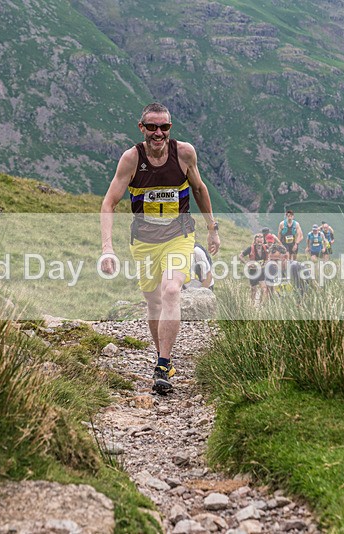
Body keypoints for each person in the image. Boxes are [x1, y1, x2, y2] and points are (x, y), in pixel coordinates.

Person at [100, 102, 220, 395]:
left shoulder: (184, 153)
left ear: (170, 128)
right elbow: (108, 203)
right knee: (154, 301)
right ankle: (161, 355)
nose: (158, 133)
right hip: (144, 243)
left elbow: (200, 189)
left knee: (171, 290)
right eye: (152, 127)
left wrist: (212, 228)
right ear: (141, 128)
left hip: (179, 236)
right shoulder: (130, 160)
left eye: (164, 127)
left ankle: (163, 364)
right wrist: (107, 248)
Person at [239, 233, 268, 304]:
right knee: (253, 290)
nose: (260, 241)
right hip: (253, 271)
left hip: (261, 270)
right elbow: (240, 256)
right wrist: (247, 264)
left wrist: (267, 261)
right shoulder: (251, 248)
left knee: (263, 288)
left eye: (261, 239)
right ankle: (252, 305)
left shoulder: (265, 248)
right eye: (258, 240)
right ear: (255, 241)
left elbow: (270, 255)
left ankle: (261, 304)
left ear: (263, 241)